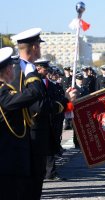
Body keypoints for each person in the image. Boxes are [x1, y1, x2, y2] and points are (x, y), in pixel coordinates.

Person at [11, 28, 77, 199]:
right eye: (38, 46)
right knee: (32, 186)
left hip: (21, 137)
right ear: (34, 48)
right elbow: (40, 106)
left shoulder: (15, 70)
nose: (40, 49)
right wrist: (66, 100)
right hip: (33, 136)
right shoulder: (28, 72)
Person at [0, 47, 45, 199]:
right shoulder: (3, 93)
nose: (14, 70)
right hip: (9, 162)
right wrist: (31, 74)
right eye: (12, 67)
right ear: (7, 70)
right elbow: (34, 94)